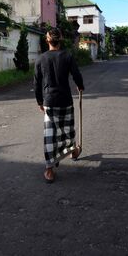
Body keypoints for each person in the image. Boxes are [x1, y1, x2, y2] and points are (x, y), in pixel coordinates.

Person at [34, 27, 84, 183]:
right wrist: (80, 85)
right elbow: (76, 74)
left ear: (47, 40)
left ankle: (49, 170)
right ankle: (73, 151)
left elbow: (36, 83)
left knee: (50, 135)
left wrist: (40, 102)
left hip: (49, 101)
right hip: (65, 100)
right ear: (60, 39)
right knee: (67, 131)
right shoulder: (67, 56)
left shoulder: (40, 59)